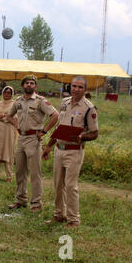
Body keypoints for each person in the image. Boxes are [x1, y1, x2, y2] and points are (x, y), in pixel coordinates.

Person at [42, 76, 98, 229]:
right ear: (70, 87)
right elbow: (59, 127)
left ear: (85, 89)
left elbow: (95, 133)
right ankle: (59, 214)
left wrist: (82, 136)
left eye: (80, 87)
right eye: (74, 86)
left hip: (74, 151)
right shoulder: (64, 103)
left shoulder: (89, 108)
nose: (76, 89)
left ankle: (74, 220)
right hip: (59, 149)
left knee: (71, 186)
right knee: (57, 184)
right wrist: (49, 146)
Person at [5, 75, 59, 212]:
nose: (29, 85)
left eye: (32, 83)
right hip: (21, 139)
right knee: (20, 171)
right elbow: (9, 115)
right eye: (27, 83)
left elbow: (55, 115)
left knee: (35, 173)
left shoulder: (40, 101)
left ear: (36, 86)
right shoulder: (18, 101)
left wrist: (45, 131)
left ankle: (36, 204)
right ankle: (21, 200)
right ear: (23, 86)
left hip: (33, 139)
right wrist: (16, 124)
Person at [0, 86, 18, 182]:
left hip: (9, 132)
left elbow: (15, 117)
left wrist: (2, 117)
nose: (7, 94)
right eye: (5, 92)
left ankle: (9, 176)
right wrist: (1, 115)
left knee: (8, 152)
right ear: (2, 93)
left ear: (12, 94)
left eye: (9, 92)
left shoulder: (14, 104)